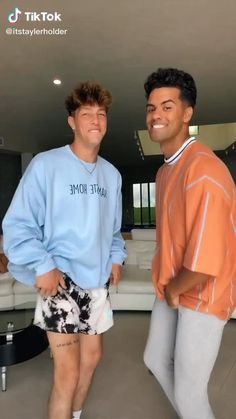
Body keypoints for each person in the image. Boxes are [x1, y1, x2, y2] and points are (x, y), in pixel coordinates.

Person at [3, 81, 126, 419]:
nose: (95, 121)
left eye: (101, 114)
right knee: (67, 372)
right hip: (60, 280)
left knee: (92, 360)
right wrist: (42, 264)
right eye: (86, 114)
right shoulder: (46, 165)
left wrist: (116, 257)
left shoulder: (112, 176)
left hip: (96, 283)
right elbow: (17, 225)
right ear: (72, 121)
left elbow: (114, 231)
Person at [143, 68, 236, 419]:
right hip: (172, 283)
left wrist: (170, 291)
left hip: (202, 293)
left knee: (191, 392)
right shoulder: (166, 170)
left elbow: (204, 264)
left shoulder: (204, 170)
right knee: (154, 358)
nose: (156, 115)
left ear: (187, 113)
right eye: (151, 108)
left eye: (167, 106)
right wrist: (166, 286)